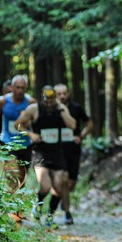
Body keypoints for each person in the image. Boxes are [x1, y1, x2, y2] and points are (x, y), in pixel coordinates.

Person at [14, 86, 77, 227]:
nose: (48, 104)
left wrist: (61, 109)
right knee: (45, 186)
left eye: (51, 101)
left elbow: (72, 124)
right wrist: (31, 134)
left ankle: (49, 217)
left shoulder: (60, 108)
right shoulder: (34, 109)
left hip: (57, 153)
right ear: (42, 99)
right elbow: (17, 124)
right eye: (46, 101)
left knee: (59, 187)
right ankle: (38, 207)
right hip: (40, 152)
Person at [0, 75, 36, 222]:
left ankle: (18, 212)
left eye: (22, 88)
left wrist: (31, 125)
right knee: (11, 173)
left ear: (26, 88)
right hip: (7, 142)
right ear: (12, 87)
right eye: (17, 87)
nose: (20, 90)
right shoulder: (3, 101)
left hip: (25, 144)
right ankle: (12, 213)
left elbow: (38, 118)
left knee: (22, 179)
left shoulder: (31, 102)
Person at [51, 83, 93, 225]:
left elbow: (89, 124)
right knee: (60, 180)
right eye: (59, 94)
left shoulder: (76, 108)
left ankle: (64, 198)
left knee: (70, 183)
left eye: (64, 93)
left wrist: (80, 137)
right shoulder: (50, 110)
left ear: (68, 94)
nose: (62, 96)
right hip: (56, 150)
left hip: (73, 149)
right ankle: (65, 211)